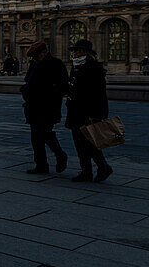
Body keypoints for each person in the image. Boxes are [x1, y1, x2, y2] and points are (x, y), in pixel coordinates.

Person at [65, 39, 112, 183]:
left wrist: (98, 115)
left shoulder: (94, 69)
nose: (74, 54)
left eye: (77, 51)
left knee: (90, 142)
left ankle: (103, 166)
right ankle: (86, 171)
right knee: (79, 143)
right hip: (75, 110)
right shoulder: (76, 67)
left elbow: (99, 94)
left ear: (85, 53)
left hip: (87, 112)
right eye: (74, 51)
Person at [20, 40, 69, 175]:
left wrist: (50, 93)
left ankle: (60, 155)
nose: (35, 58)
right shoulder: (34, 64)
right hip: (33, 106)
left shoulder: (55, 64)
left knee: (45, 133)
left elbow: (63, 85)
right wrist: (25, 91)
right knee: (36, 136)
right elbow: (27, 81)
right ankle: (41, 164)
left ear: (44, 52)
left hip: (48, 106)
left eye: (37, 55)